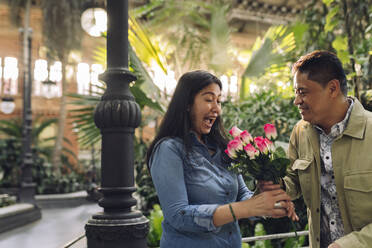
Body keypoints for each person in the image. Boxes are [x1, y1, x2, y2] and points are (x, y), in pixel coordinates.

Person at [146, 70, 297, 248]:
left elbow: (243, 197)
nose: (217, 109)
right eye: (209, 99)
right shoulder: (169, 150)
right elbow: (179, 215)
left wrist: (268, 202)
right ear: (187, 103)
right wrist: (246, 208)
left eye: (218, 101)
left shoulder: (224, 149)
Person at [260, 50, 372, 248]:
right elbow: (292, 180)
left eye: (302, 92)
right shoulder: (301, 132)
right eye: (296, 92)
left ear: (332, 88)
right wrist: (273, 185)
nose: (296, 101)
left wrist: (347, 245)